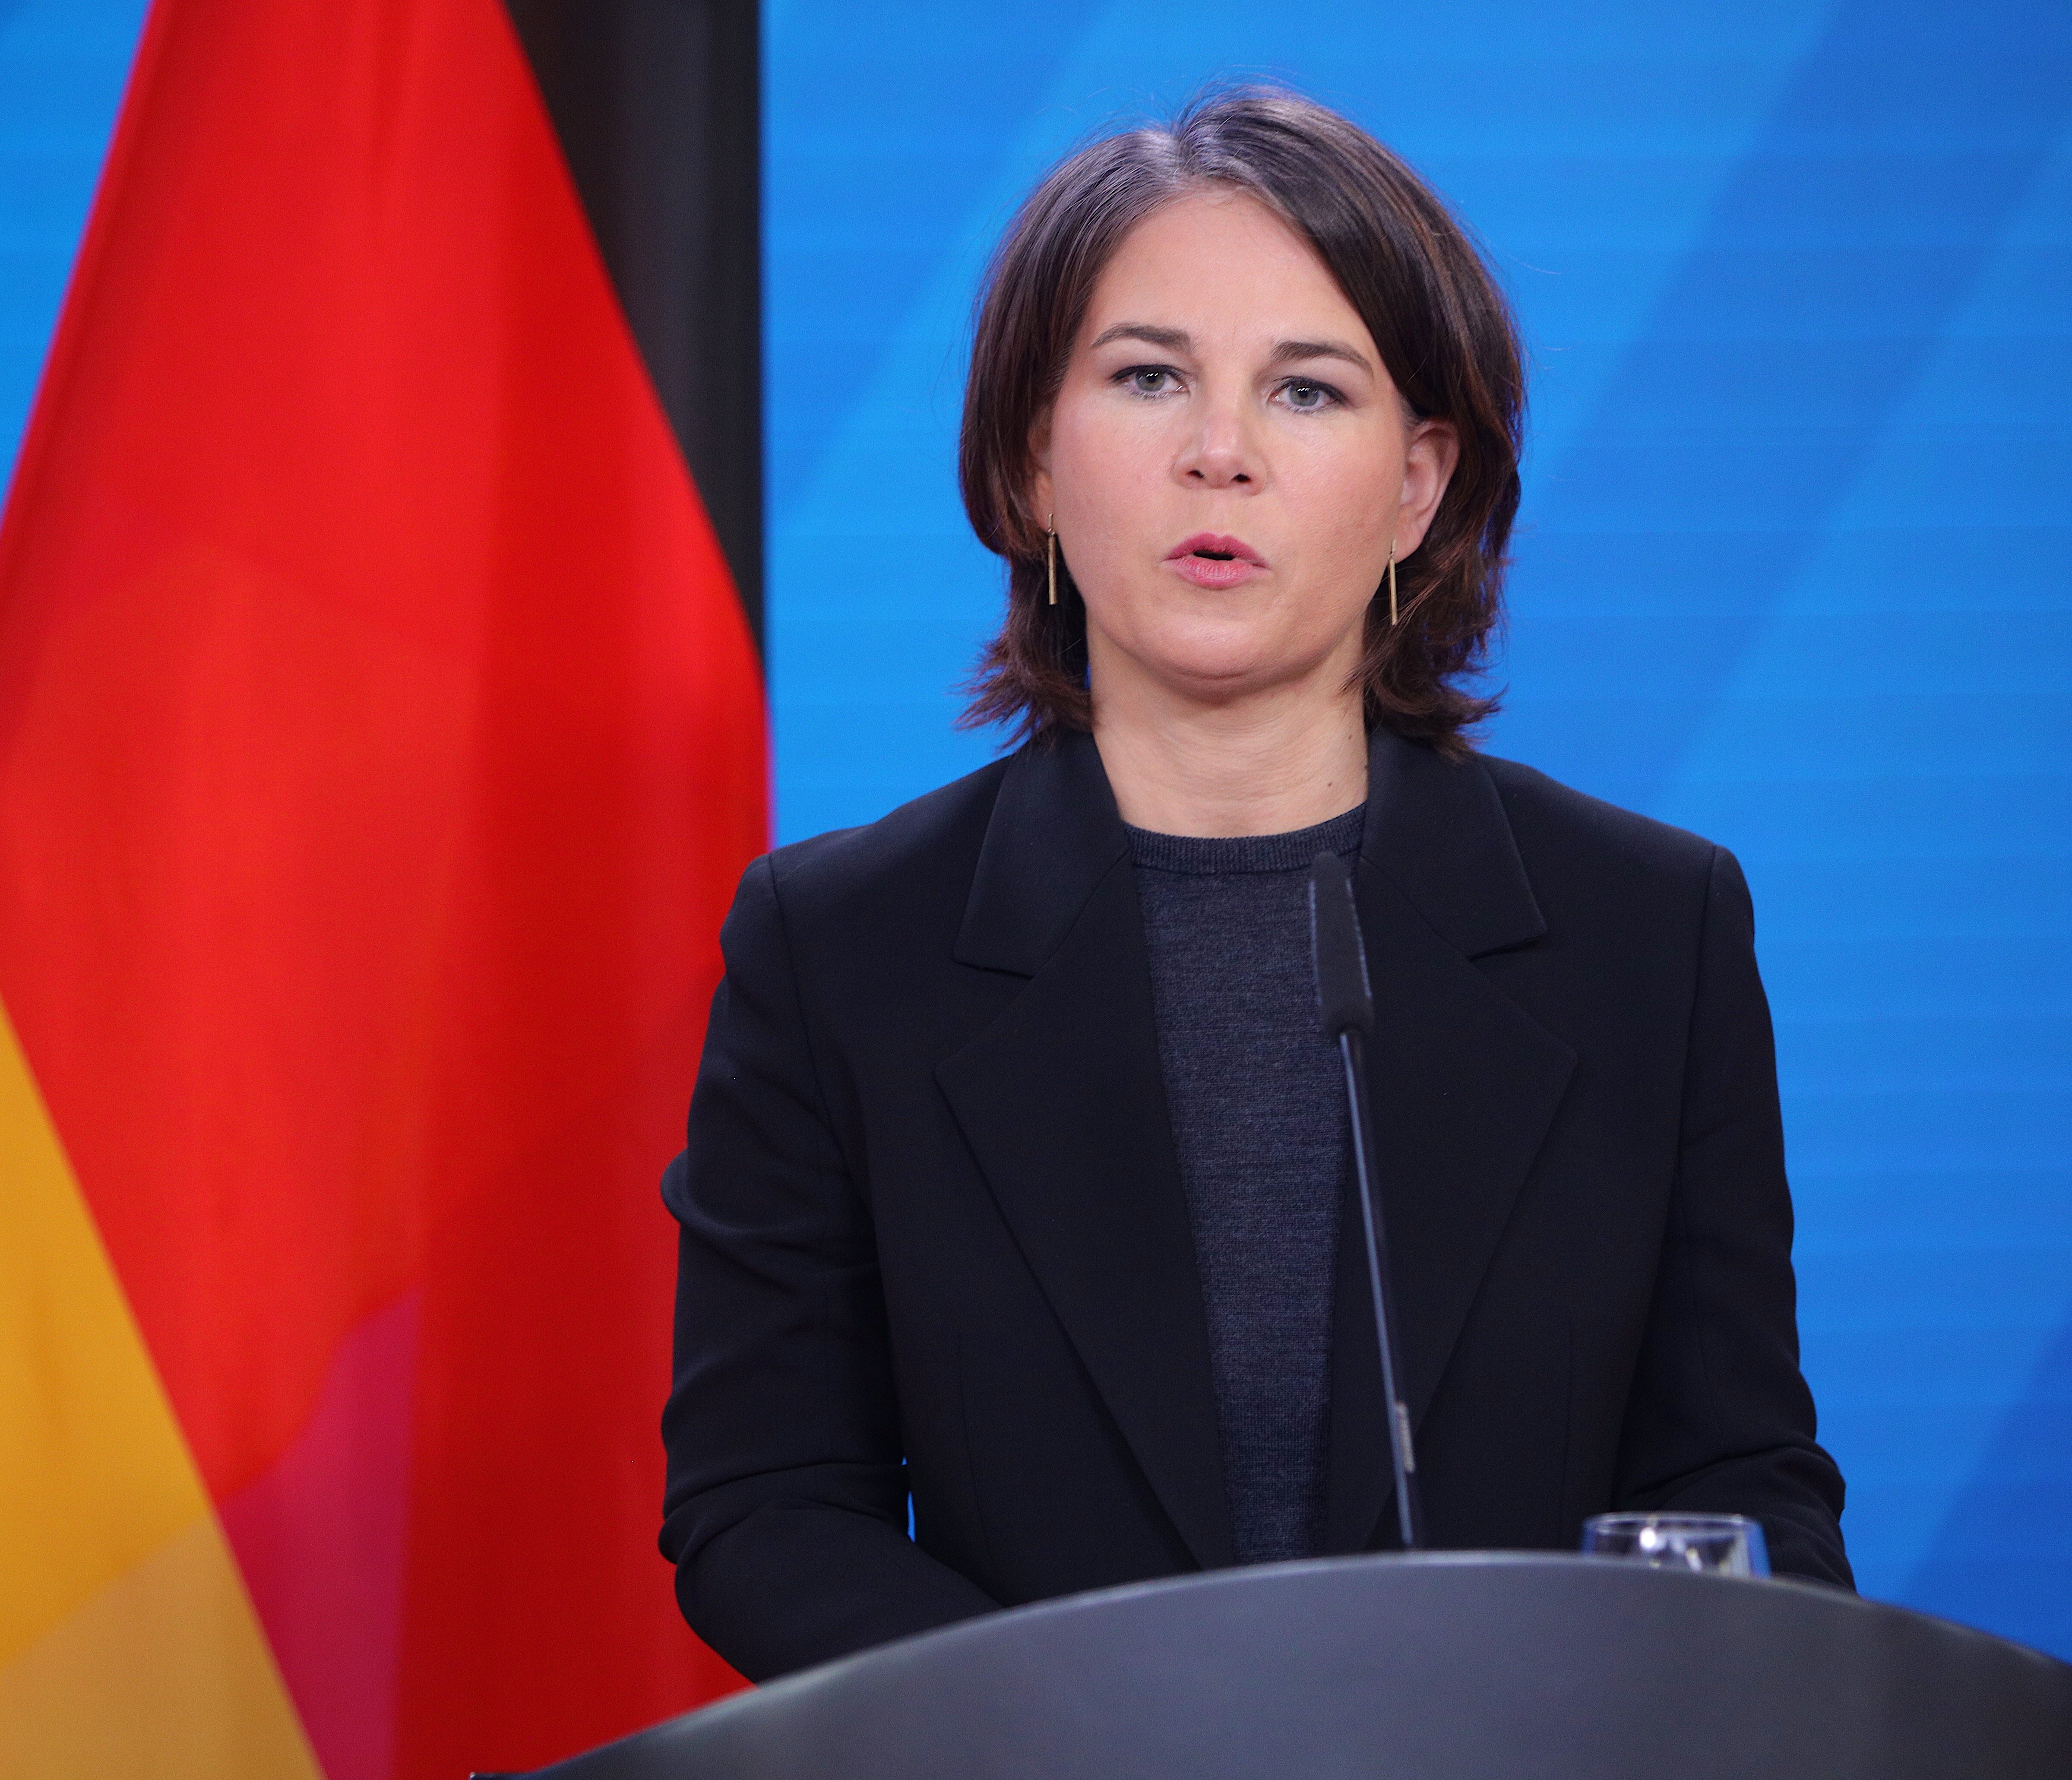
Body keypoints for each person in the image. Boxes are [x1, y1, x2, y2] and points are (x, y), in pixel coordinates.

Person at [658, 88, 1849, 1684]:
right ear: (1032, 464)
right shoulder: (840, 949)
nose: (1218, 454)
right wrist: (1119, 1734)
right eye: (1149, 378)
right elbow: (766, 1509)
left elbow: (1739, 1490)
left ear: (1419, 487)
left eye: (1306, 390)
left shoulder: (1648, 930)